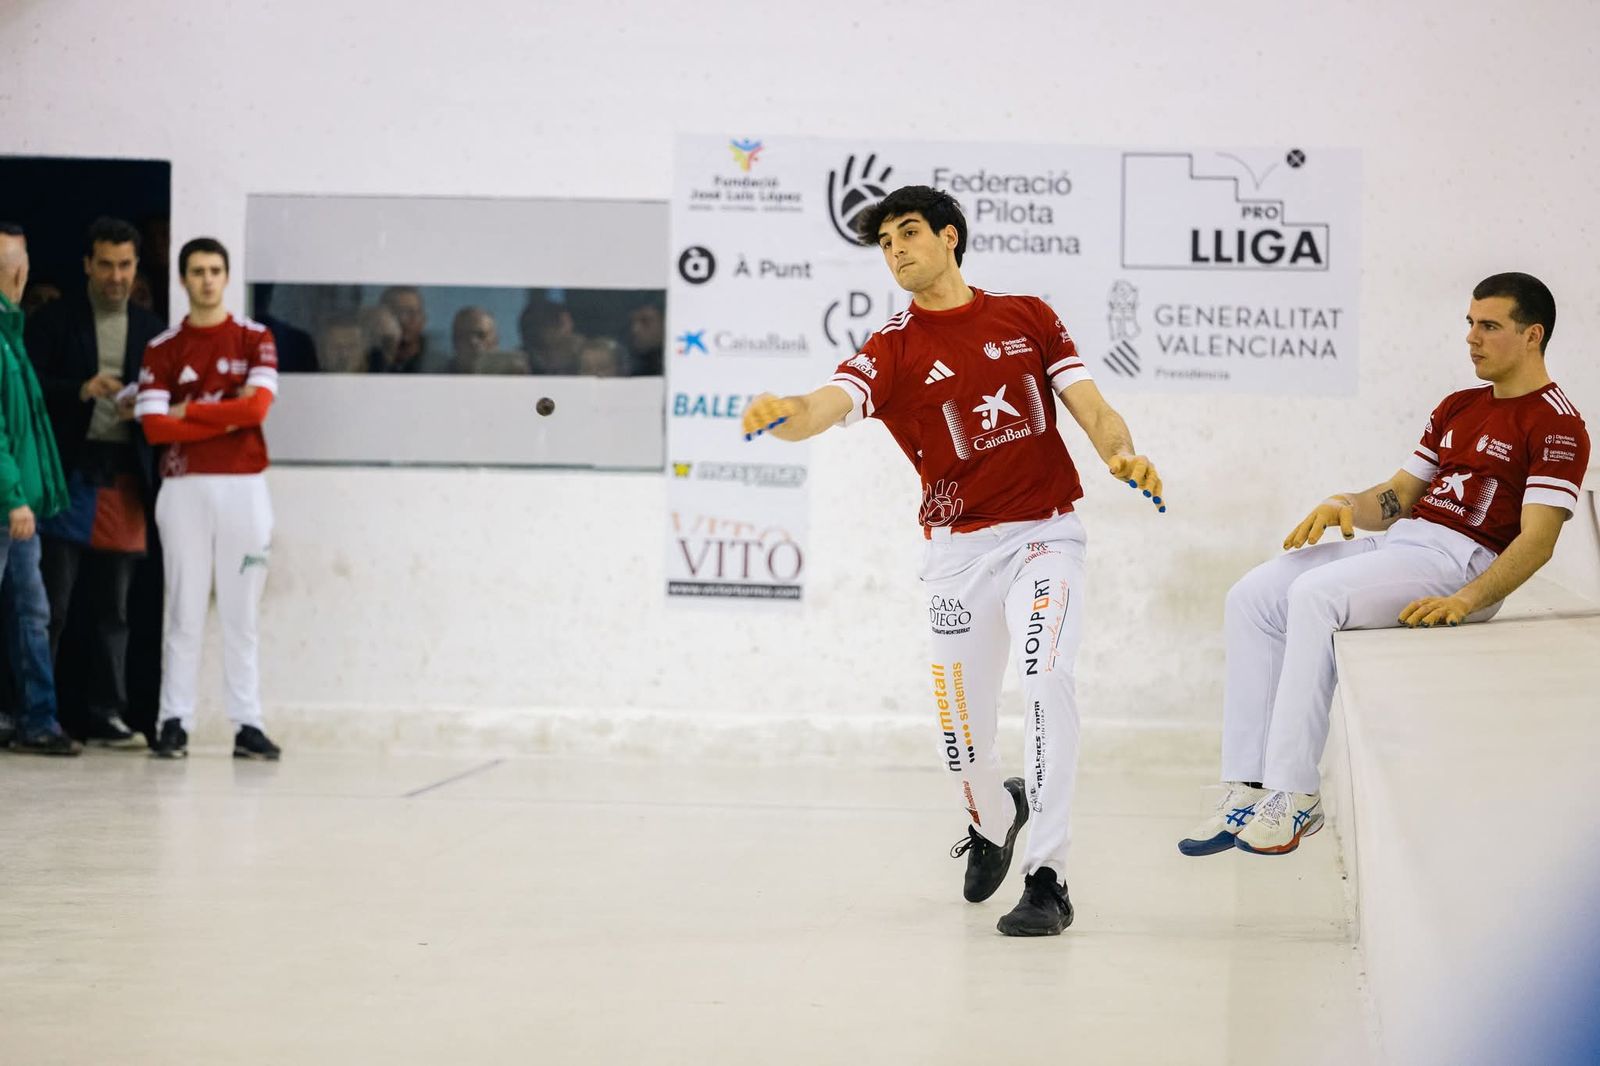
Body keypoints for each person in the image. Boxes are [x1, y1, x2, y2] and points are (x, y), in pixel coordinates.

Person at [739, 186, 1164, 937]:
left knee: (1045, 677)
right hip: (957, 557)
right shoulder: (891, 349)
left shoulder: (1027, 315)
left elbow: (1094, 410)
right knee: (962, 744)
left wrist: (1122, 455)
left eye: (909, 234)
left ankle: (1048, 875)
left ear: (950, 237)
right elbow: (818, 410)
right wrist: (782, 414)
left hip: (1044, 536)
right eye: (884, 243)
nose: (896, 250)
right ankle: (995, 814)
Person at [1180, 272, 1590, 858]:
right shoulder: (1459, 405)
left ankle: (1295, 795)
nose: (1472, 338)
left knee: (1314, 597)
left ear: (1533, 335)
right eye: (1470, 323)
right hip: (1406, 545)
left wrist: (1467, 599)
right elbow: (1397, 495)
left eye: (1490, 326)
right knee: (1251, 596)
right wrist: (1342, 502)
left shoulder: (1558, 423)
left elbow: (1540, 539)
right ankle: (1248, 785)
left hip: (1462, 565)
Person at [134, 237, 281, 761]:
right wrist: (223, 412)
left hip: (246, 491)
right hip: (183, 489)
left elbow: (257, 409)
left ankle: (248, 725)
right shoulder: (161, 348)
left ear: (227, 275)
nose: (207, 280)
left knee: (242, 613)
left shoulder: (255, 338)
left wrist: (188, 412)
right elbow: (153, 426)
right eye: (197, 271)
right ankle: (173, 721)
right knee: (184, 606)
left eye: (216, 270)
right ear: (182, 279)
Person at [25, 216, 165, 748]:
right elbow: (32, 389)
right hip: (67, 475)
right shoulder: (54, 321)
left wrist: (145, 412)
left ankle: (106, 712)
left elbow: (169, 399)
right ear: (87, 264)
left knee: (116, 607)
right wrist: (82, 389)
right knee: (51, 605)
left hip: (125, 476)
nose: (115, 276)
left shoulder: (153, 330)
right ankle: (35, 711)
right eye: (105, 264)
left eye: (125, 265)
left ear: (136, 267)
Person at [0, 221, 78, 755]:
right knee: (31, 611)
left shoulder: (12, 334)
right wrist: (13, 496)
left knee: (33, 611)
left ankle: (38, 718)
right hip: (9, 505)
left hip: (17, 506)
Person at [375, 286, 426, 372]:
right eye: (396, 312)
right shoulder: (367, 362)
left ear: (423, 319)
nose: (403, 320)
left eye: (411, 312)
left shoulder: (436, 366)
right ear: (380, 318)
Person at [448, 306, 499, 373]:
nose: (473, 341)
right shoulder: (437, 377)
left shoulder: (512, 377)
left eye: (481, 335)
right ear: (455, 341)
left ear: (495, 340)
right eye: (465, 336)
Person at [626, 301, 664, 376]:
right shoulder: (629, 366)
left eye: (645, 321)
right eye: (632, 322)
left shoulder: (681, 364)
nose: (635, 329)